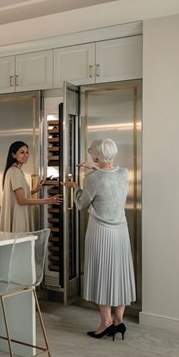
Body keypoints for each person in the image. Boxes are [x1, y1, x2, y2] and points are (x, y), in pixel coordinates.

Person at [61, 138, 136, 340]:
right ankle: (119, 321)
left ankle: (105, 322)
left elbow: (82, 204)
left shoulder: (93, 179)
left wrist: (75, 186)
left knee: (103, 274)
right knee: (120, 273)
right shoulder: (123, 172)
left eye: (91, 152)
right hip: (121, 231)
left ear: (95, 155)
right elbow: (109, 174)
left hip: (101, 231)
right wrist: (95, 166)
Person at [0, 141, 62, 232]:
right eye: (22, 152)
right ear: (13, 155)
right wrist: (48, 200)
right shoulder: (14, 172)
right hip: (18, 218)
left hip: (19, 215)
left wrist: (34, 190)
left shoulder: (14, 171)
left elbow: (16, 195)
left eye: (27, 152)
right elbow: (22, 200)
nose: (26, 155)